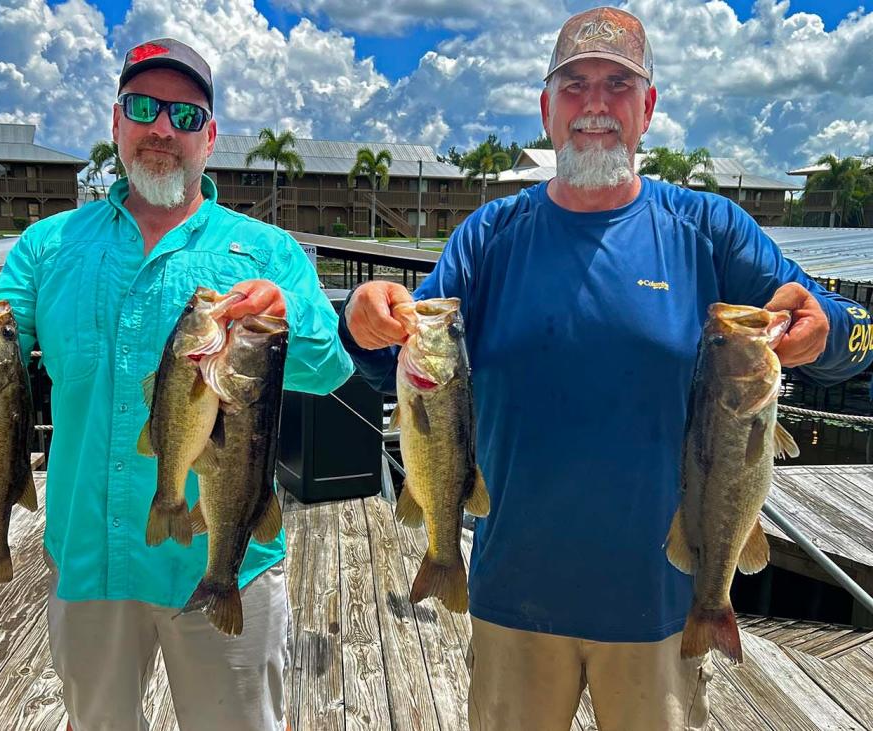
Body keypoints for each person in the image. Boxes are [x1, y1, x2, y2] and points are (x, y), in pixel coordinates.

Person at [339, 7, 873, 730]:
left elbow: (848, 335)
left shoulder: (710, 233)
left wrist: (828, 331)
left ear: (648, 107)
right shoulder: (489, 238)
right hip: (511, 602)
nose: (595, 105)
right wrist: (364, 320)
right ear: (547, 110)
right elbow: (398, 363)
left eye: (617, 84)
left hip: (660, 607)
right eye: (575, 85)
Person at [0, 38, 353, 731]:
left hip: (223, 557)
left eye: (184, 114)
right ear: (116, 124)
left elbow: (330, 365)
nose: (162, 129)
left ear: (209, 137)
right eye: (143, 107)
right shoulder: (47, 245)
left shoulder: (266, 250)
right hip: (91, 553)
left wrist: (285, 316)